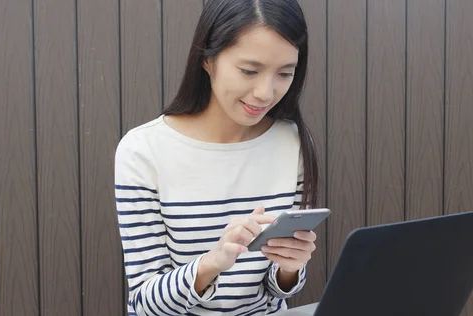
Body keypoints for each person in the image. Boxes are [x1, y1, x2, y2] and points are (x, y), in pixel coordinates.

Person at [113, 0, 320, 315]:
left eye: (284, 73)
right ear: (207, 59)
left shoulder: (292, 143)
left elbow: (276, 291)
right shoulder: (143, 151)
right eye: (249, 70)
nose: (266, 92)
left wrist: (290, 267)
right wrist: (213, 262)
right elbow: (145, 303)